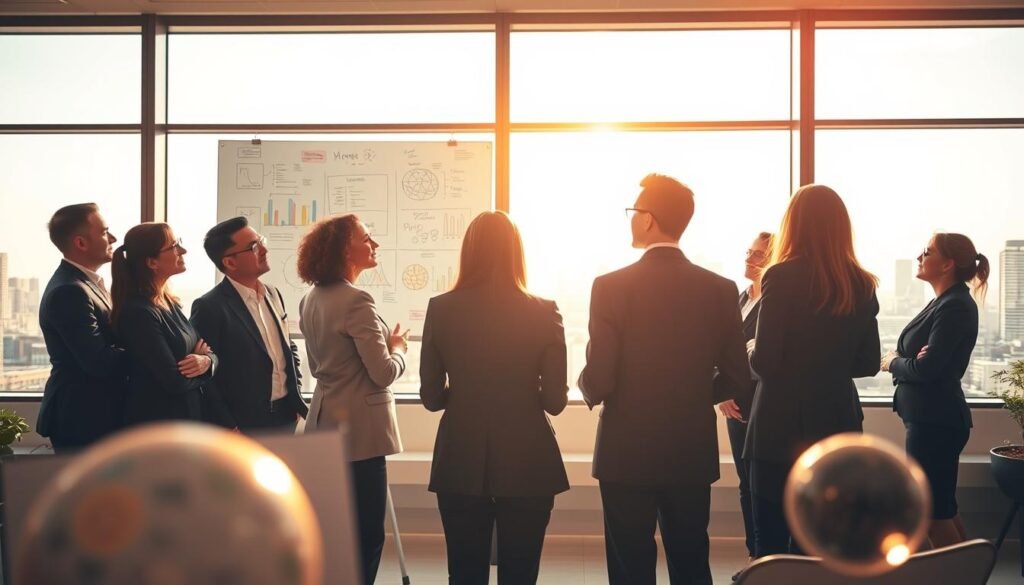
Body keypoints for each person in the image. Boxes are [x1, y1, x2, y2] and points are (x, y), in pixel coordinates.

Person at [578, 173, 750, 585]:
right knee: (691, 559)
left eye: (633, 212)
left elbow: (600, 376)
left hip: (625, 450)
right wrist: (691, 391)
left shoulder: (610, 286)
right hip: (689, 448)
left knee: (629, 565)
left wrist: (586, 387)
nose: (630, 220)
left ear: (649, 219)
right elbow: (737, 376)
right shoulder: (720, 289)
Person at [420, 211, 569, 585]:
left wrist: (469, 390)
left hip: (460, 456)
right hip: (528, 459)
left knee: (465, 573)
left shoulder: (441, 309)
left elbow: (433, 398)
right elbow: (555, 401)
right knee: (521, 573)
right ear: (515, 252)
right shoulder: (544, 311)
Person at [744, 184, 880, 558]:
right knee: (823, 542)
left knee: (771, 543)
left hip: (778, 427)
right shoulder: (862, 283)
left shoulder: (781, 276)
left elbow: (766, 362)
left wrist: (753, 348)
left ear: (793, 224)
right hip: (838, 425)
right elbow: (868, 363)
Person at [297, 214, 407, 585]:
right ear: (345, 248)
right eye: (366, 237)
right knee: (366, 534)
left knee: (339, 533)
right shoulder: (357, 299)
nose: (374, 243)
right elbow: (383, 373)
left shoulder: (311, 298)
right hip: (361, 432)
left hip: (326, 422)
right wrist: (399, 350)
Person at [881, 233, 987, 547]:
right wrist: (910, 361)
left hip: (935, 424)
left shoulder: (955, 306)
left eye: (927, 252)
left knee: (930, 515)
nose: (919, 256)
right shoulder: (944, 301)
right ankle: (972, 573)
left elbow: (927, 369)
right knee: (942, 509)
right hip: (931, 421)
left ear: (948, 264)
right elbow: (921, 365)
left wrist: (892, 362)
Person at [191, 217, 308, 433]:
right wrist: (227, 424)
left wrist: (296, 394)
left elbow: (288, 349)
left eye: (261, 240)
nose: (264, 249)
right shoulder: (209, 306)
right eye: (254, 246)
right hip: (243, 424)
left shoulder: (273, 294)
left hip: (287, 415)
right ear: (230, 262)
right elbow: (206, 377)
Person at [36, 203, 128, 452]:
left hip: (94, 417)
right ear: (81, 243)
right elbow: (99, 361)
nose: (113, 238)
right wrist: (153, 353)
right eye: (104, 232)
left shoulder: (86, 284)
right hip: (83, 420)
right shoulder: (69, 291)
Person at [111, 223, 218, 425]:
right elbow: (174, 381)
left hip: (185, 418)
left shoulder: (169, 302)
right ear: (152, 262)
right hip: (159, 425)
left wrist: (207, 361)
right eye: (174, 246)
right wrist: (204, 363)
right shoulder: (138, 313)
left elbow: (207, 350)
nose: (183, 250)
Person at [717, 231, 773, 570]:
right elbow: (720, 349)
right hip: (733, 403)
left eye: (759, 255)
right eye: (749, 252)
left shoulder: (774, 301)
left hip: (761, 402)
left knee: (759, 481)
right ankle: (753, 553)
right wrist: (720, 391)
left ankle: (763, 557)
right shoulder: (740, 298)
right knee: (744, 482)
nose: (750, 259)